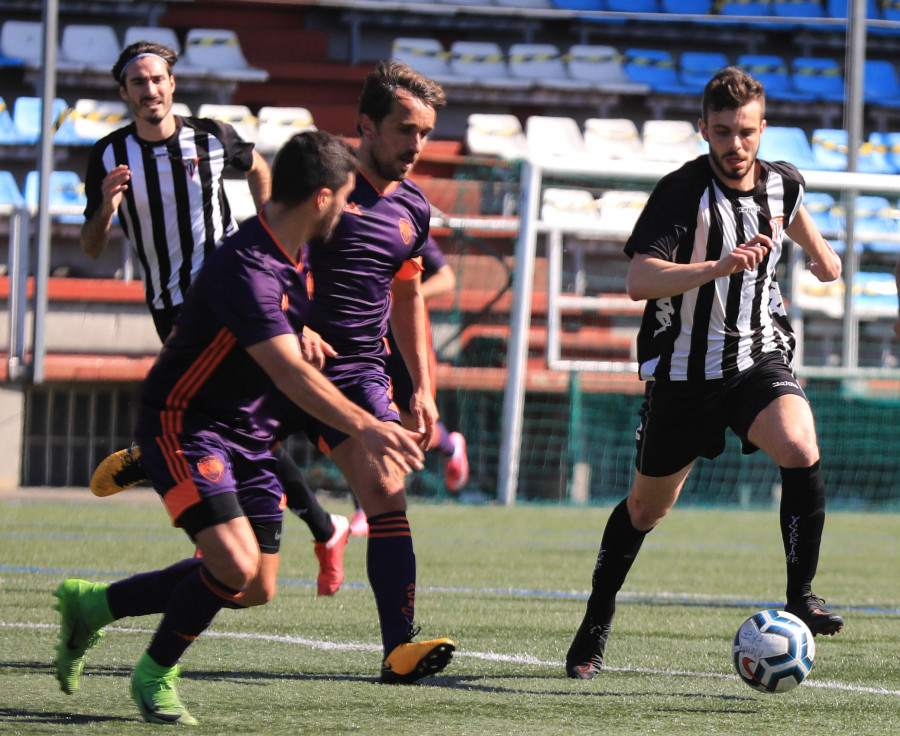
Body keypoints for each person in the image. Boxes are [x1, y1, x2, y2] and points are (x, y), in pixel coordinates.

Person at [53, 130, 429, 725]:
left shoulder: (292, 249)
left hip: (248, 433)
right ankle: (155, 673)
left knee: (253, 584)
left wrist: (299, 328)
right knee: (232, 564)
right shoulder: (249, 265)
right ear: (324, 198)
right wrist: (371, 427)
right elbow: (291, 376)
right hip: (188, 424)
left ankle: (96, 605)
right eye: (348, 196)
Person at [565, 67, 845, 681]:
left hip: (756, 360)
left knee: (800, 445)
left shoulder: (783, 183)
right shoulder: (680, 193)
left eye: (746, 132)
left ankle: (801, 594)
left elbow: (798, 220)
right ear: (703, 130)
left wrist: (823, 257)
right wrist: (717, 266)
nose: (735, 145)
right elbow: (640, 280)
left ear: (762, 129)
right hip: (685, 378)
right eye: (722, 132)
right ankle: (596, 617)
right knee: (645, 509)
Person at [81, 40, 351, 596]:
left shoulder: (210, 137)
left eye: (157, 79)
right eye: (138, 82)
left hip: (228, 294)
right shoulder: (108, 157)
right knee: (238, 431)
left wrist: (266, 244)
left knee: (221, 423)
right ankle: (325, 527)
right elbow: (89, 247)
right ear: (125, 92)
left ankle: (156, 459)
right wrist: (105, 209)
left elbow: (258, 168)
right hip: (169, 304)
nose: (150, 89)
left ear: (172, 85)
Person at [280, 60, 456, 683]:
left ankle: (398, 652)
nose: (416, 144)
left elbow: (408, 297)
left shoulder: (413, 207)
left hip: (357, 376)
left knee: (387, 494)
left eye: (426, 132)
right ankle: (168, 446)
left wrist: (425, 389)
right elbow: (267, 256)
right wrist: (291, 322)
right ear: (364, 124)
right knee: (242, 563)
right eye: (405, 129)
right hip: (282, 364)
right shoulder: (319, 181)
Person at [346, 234, 470, 537]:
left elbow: (446, 279)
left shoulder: (402, 221)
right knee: (365, 412)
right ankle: (365, 505)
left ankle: (451, 446)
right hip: (364, 336)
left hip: (405, 337)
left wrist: (405, 295)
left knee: (414, 426)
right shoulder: (349, 217)